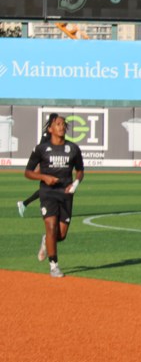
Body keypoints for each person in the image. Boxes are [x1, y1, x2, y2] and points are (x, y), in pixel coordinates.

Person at [25, 114, 84, 278]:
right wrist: (44, 177)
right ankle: (54, 266)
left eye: (63, 124)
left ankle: (46, 241)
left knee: (61, 235)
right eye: (58, 124)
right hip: (48, 193)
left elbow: (80, 170)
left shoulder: (73, 148)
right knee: (51, 227)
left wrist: (76, 183)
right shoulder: (41, 149)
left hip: (66, 194)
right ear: (50, 129)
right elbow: (28, 172)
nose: (62, 126)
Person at [18, 112, 59, 217]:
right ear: (53, 120)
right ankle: (29, 205)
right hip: (46, 163)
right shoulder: (47, 134)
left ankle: (25, 204)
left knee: (51, 187)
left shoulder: (54, 133)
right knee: (48, 187)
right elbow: (41, 149)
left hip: (52, 163)